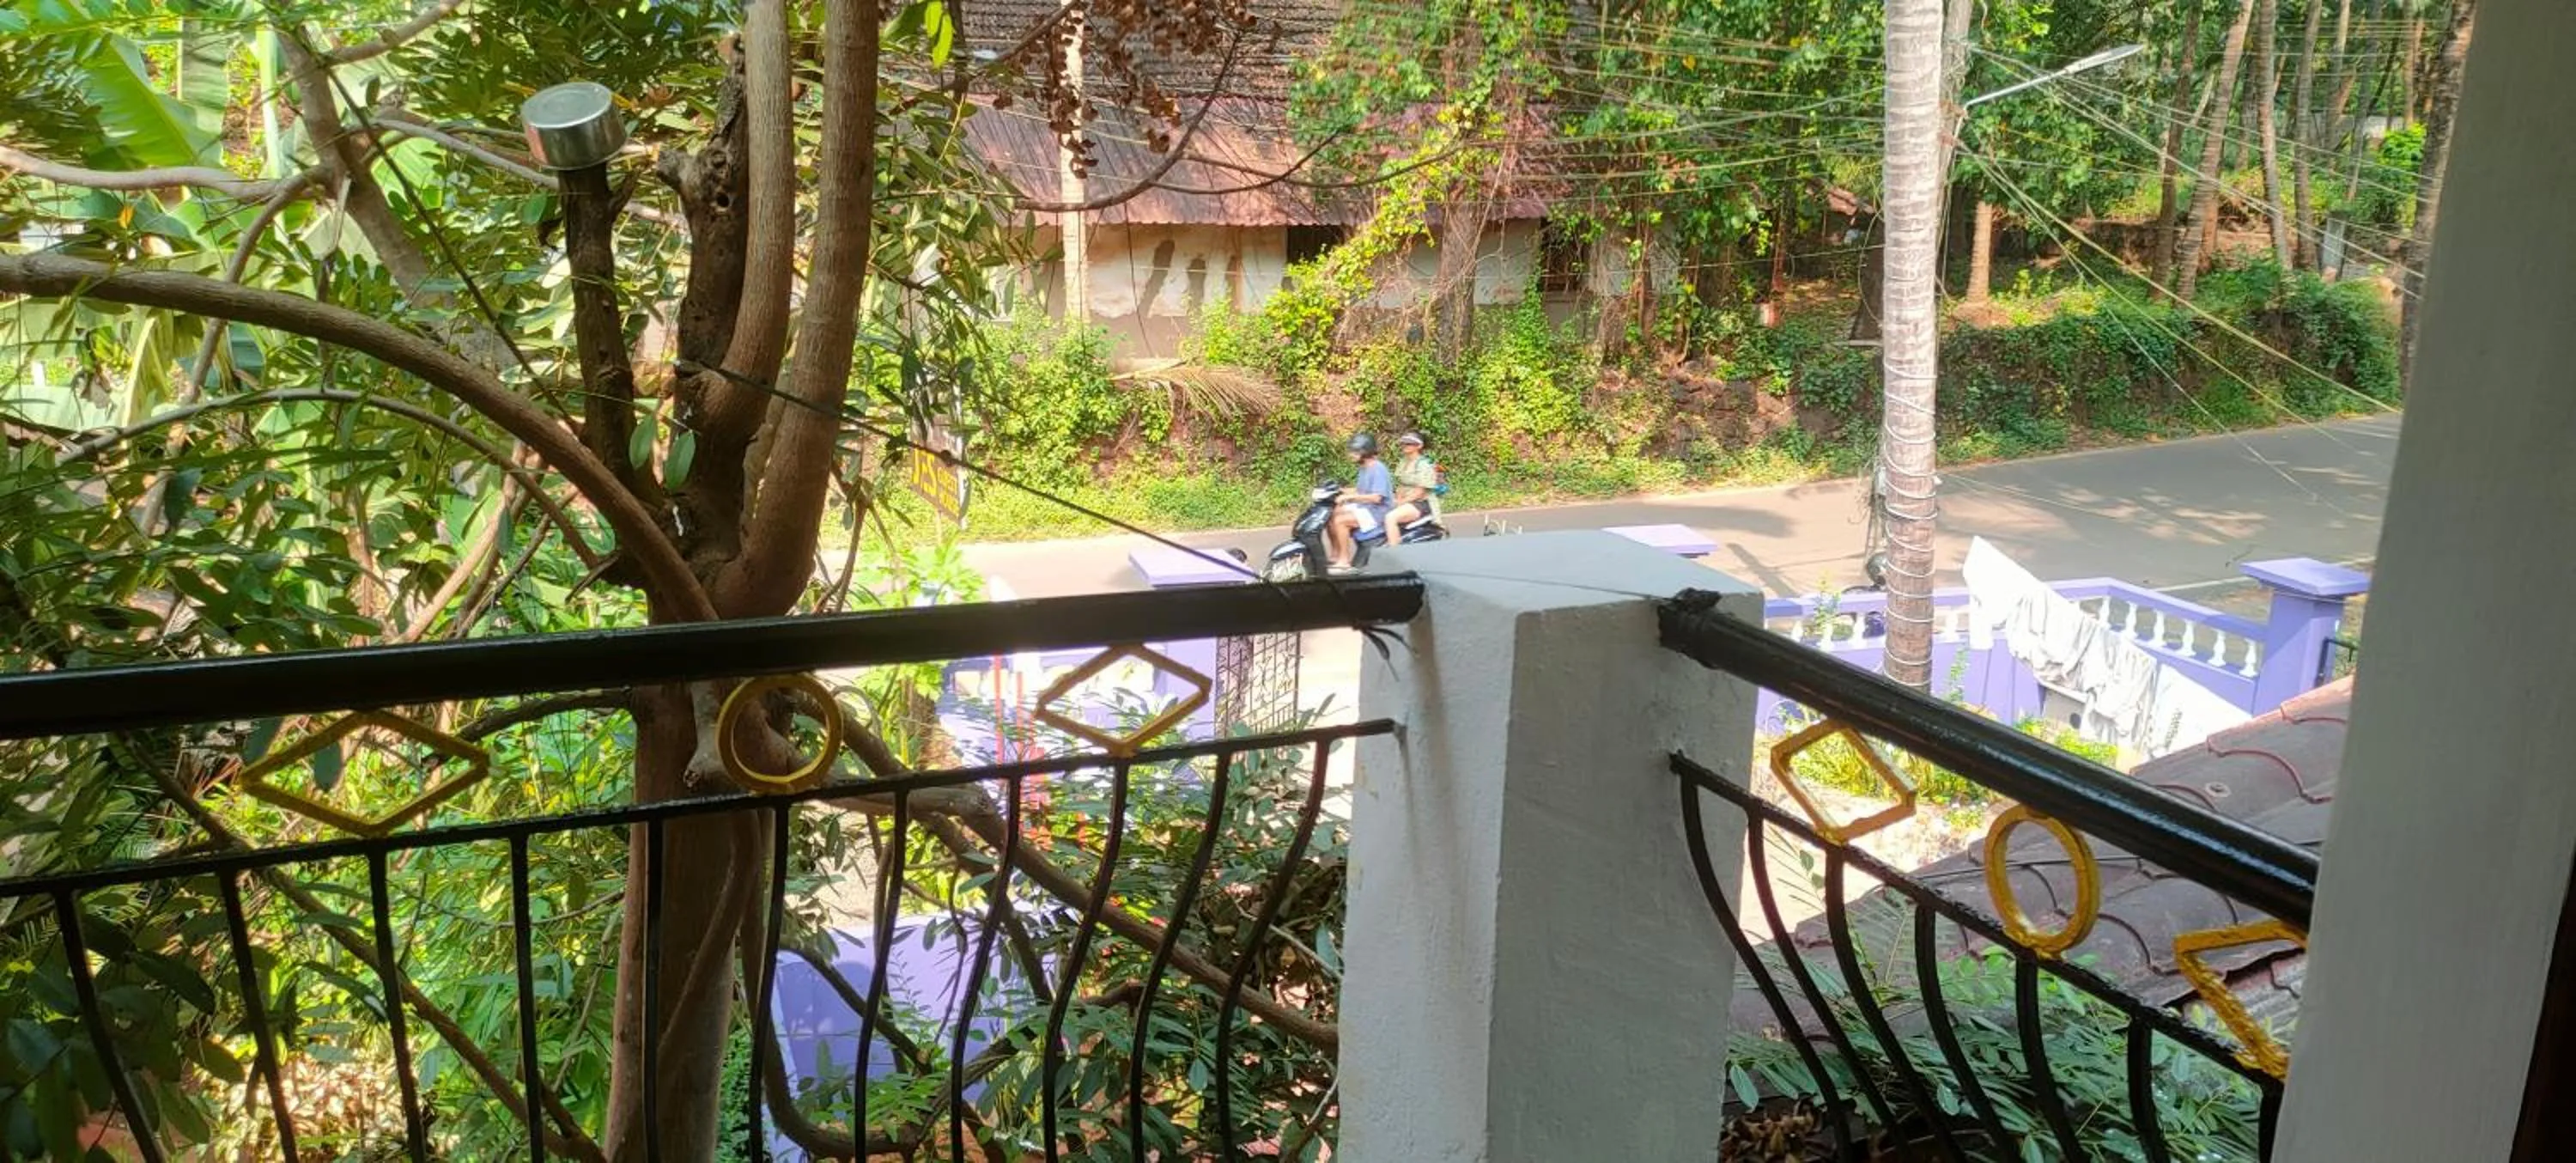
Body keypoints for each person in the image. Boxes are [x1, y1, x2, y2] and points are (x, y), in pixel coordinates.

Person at [1325, 433, 1393, 573]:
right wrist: (1341, 491)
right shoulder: (1364, 467)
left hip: (1377, 513)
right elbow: (1361, 490)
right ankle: (1336, 554)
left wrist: (1349, 498)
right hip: (1365, 508)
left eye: (1355, 452)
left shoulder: (1378, 468)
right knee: (1331, 514)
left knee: (1341, 521)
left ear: (1365, 452)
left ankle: (1344, 561)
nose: (1351, 455)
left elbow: (1376, 498)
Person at [1388, 431, 1438, 530]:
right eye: (1404, 443)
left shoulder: (1424, 465)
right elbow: (1401, 485)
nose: (1405, 446)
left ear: (1419, 446)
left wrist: (1401, 502)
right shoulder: (1403, 462)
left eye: (1409, 443)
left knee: (1391, 518)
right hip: (1405, 500)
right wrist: (1398, 500)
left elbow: (1420, 492)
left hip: (1420, 503)